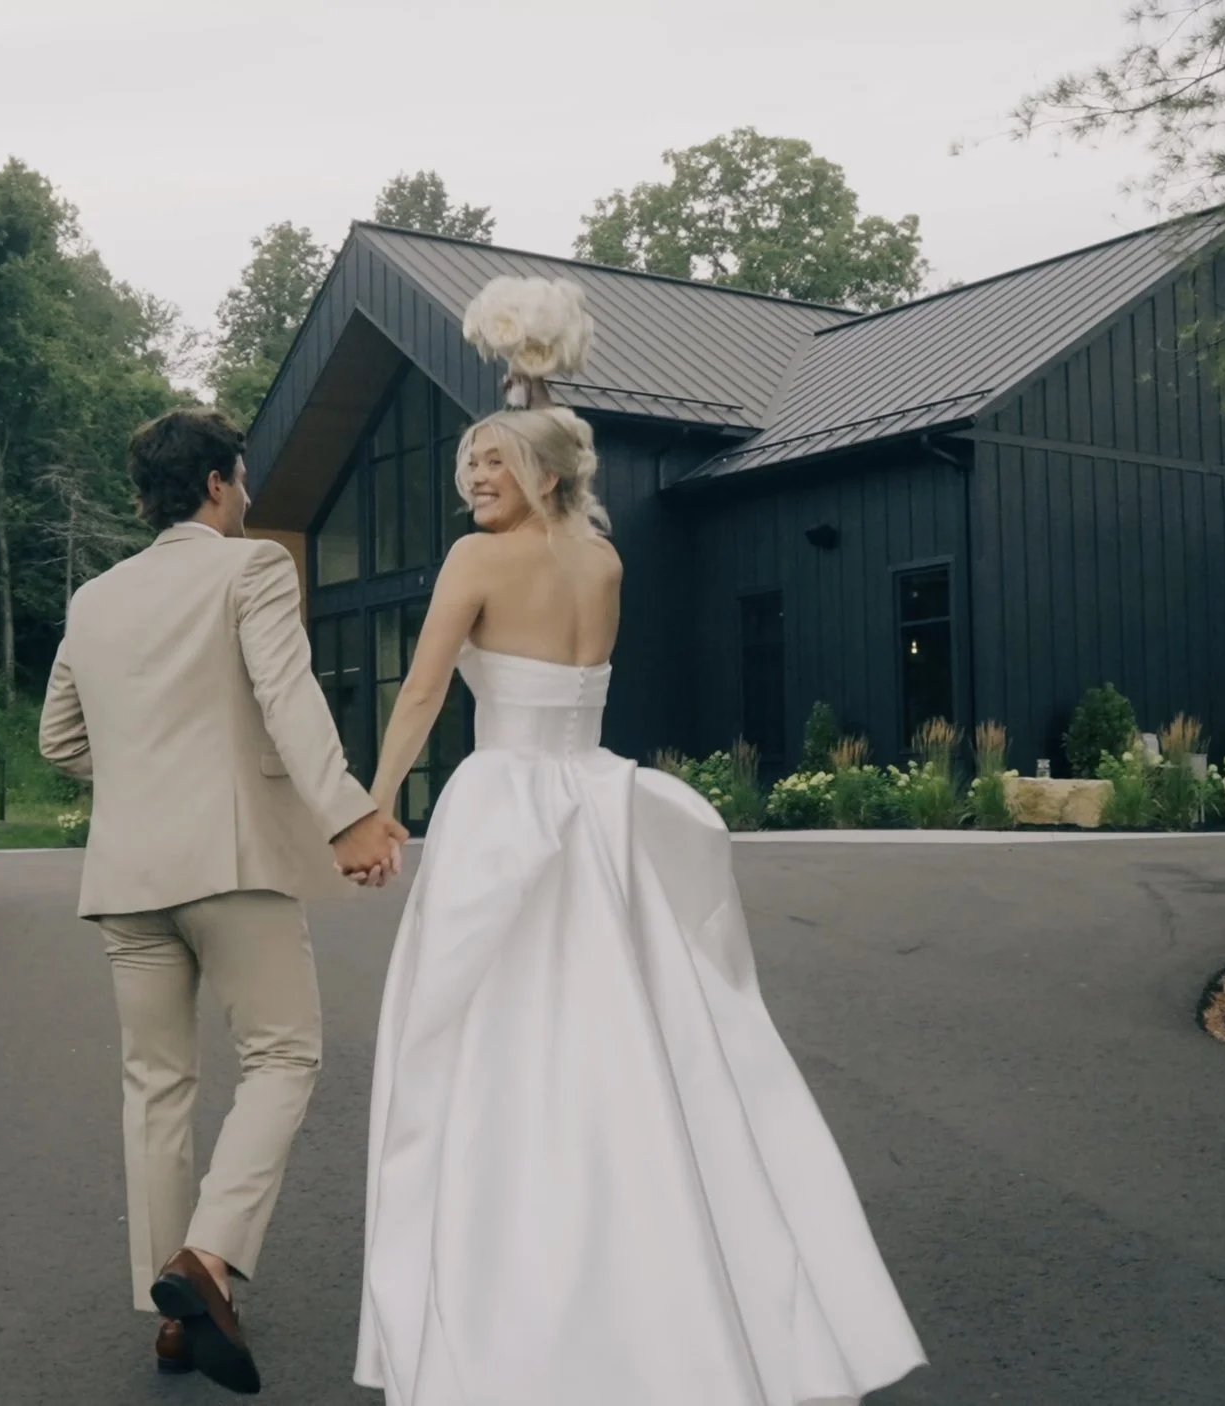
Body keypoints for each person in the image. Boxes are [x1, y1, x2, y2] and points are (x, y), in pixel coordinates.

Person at [351, 277, 927, 1404]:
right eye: (469, 465)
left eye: (492, 464)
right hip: (596, 800)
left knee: (484, 1035)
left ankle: (514, 1270)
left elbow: (421, 691)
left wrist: (378, 802)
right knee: (625, 1024)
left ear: (543, 472)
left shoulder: (475, 563)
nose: (474, 480)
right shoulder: (605, 562)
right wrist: (523, 400)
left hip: (506, 799)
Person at [39, 407, 409, 1395]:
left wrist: (142, 771)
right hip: (230, 861)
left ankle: (173, 1318)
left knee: (156, 1088)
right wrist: (348, 814)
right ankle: (206, 1258)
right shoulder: (252, 568)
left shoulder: (94, 598)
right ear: (215, 483)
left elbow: (59, 740)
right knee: (283, 1056)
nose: (245, 494)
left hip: (127, 876)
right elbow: (288, 696)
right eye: (240, 479)